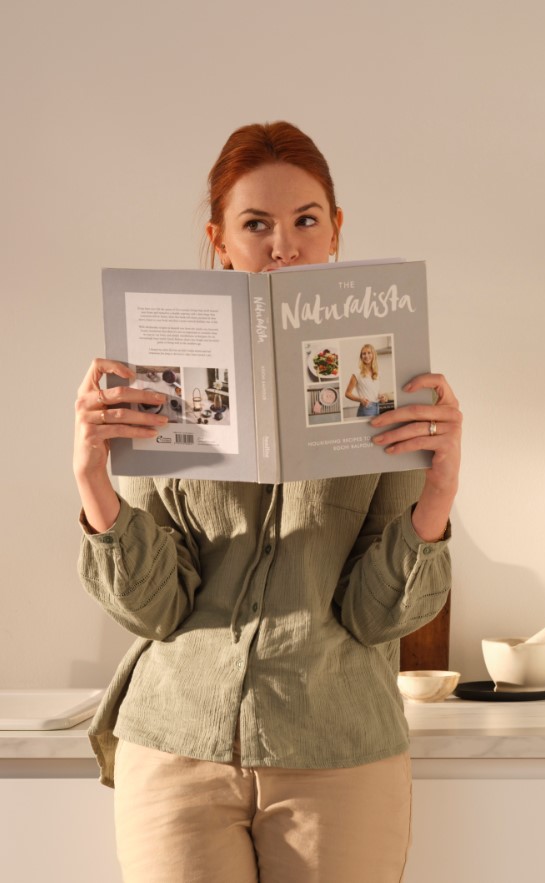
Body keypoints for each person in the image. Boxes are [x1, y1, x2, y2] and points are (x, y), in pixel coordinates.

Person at [72, 121, 461, 883]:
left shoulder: (387, 378)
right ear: (220, 240)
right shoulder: (163, 375)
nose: (283, 245)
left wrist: (439, 490)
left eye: (304, 221)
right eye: (256, 225)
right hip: (176, 741)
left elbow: (376, 616)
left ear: (335, 231)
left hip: (338, 749)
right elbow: (156, 607)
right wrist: (93, 482)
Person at [346, 342, 386, 417]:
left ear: (373, 354)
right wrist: (360, 399)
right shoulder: (357, 373)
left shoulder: (378, 373)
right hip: (366, 409)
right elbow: (347, 393)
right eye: (364, 354)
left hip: (378, 407)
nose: (366, 356)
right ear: (361, 357)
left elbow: (376, 392)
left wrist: (382, 397)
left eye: (369, 353)